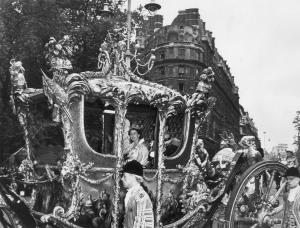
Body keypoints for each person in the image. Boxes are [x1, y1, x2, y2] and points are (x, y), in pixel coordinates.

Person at [121, 160, 154, 228]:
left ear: (133, 177)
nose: (122, 179)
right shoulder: (132, 194)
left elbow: (141, 224)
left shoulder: (140, 197)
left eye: (124, 176)